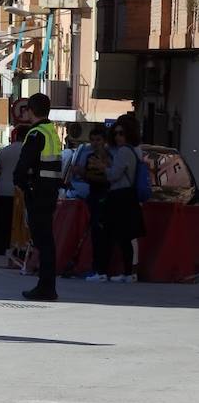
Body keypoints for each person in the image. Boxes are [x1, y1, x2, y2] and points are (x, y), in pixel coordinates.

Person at [13, 93, 62, 301]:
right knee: (47, 241)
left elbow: (22, 167)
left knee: (42, 241)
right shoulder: (52, 131)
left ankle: (46, 287)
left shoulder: (35, 134)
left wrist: (23, 185)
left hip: (38, 192)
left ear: (29, 110)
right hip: (50, 192)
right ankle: (47, 285)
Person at [89, 116, 146, 283]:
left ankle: (102, 272)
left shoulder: (123, 151)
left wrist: (103, 167)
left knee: (107, 235)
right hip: (127, 196)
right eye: (115, 133)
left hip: (119, 196)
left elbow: (114, 175)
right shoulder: (133, 151)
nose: (117, 137)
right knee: (124, 237)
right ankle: (128, 273)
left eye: (121, 133)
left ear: (128, 133)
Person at [0, 125, 28, 264]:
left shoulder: (5, 151)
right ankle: (14, 254)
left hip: (4, 192)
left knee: (1, 223)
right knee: (19, 225)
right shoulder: (29, 151)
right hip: (21, 193)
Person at [77, 126, 112, 280]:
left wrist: (87, 174)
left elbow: (108, 178)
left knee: (101, 234)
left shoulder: (109, 158)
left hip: (103, 198)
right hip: (93, 196)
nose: (95, 143)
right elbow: (87, 177)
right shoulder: (89, 156)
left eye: (98, 140)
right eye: (92, 140)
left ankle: (101, 270)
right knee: (95, 235)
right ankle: (96, 268)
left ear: (104, 141)